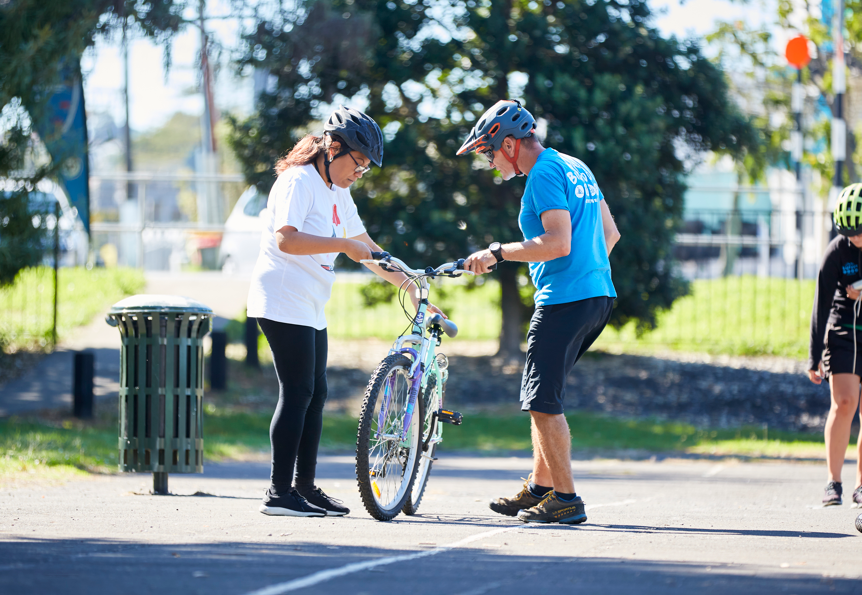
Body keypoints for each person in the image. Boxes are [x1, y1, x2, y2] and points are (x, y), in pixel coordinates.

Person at [248, 106, 444, 517]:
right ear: (333, 148)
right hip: (282, 297)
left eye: (366, 168)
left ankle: (303, 488)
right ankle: (278, 493)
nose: (360, 173)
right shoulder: (297, 181)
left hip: (310, 303)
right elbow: (287, 240)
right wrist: (341, 246)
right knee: (298, 392)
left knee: (315, 394)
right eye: (358, 163)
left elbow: (367, 248)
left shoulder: (338, 190)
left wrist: (410, 286)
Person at [457, 99, 620, 524]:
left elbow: (558, 242)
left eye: (489, 153)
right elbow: (610, 233)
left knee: (543, 401)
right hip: (596, 296)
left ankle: (566, 498)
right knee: (542, 399)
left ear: (510, 144)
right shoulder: (574, 165)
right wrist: (588, 272)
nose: (490, 163)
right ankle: (541, 487)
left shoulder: (543, 174)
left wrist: (497, 252)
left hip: (565, 300)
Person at [807, 182, 862, 508]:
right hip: (844, 332)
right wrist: (813, 356)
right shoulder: (838, 250)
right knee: (844, 403)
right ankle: (834, 482)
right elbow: (821, 302)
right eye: (849, 233)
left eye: (861, 233)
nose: (855, 239)